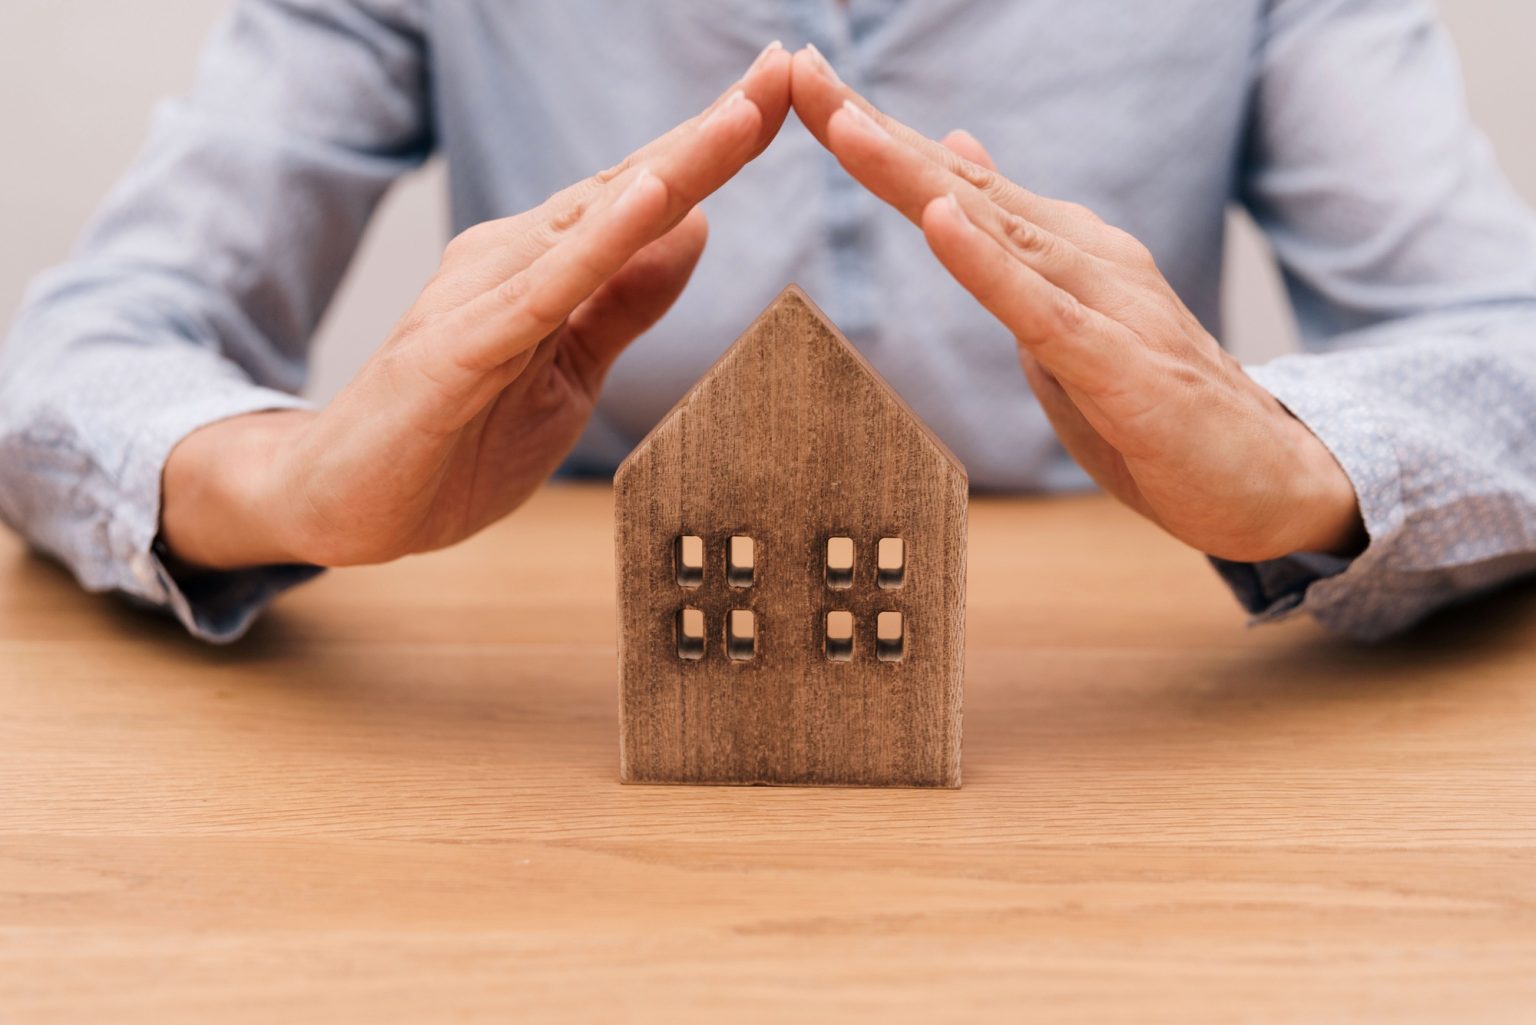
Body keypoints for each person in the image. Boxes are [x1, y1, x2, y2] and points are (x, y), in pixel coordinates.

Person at [2, 1, 1534, 644]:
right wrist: (285, 484)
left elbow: (1508, 339)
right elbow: (76, 354)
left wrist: (1304, 476)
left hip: (1123, 739)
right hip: (567, 739)